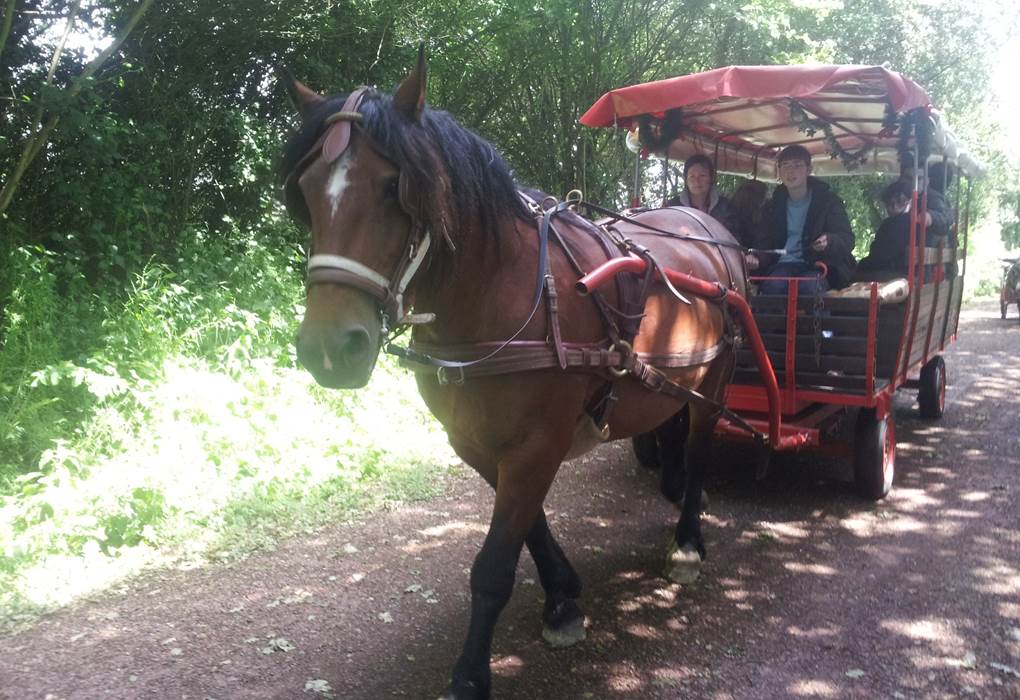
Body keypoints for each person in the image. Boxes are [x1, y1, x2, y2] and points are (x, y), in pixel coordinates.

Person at [746, 145, 856, 293]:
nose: (790, 171)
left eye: (797, 165)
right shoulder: (771, 206)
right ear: (779, 171)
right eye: (785, 165)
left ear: (808, 169)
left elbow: (847, 240)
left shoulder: (829, 202)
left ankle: (819, 317)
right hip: (781, 266)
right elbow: (763, 242)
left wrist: (829, 240)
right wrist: (756, 257)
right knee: (773, 287)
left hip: (818, 266)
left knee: (809, 287)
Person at [854, 180, 913, 281]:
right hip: (891, 269)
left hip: (896, 272)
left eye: (900, 201)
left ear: (910, 201)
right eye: (890, 203)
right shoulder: (890, 223)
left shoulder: (903, 223)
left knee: (850, 277)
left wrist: (862, 264)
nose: (894, 207)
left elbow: (884, 255)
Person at [666, 154, 739, 235]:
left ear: (711, 178)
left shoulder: (725, 207)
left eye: (702, 176)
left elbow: (733, 238)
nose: (697, 181)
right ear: (686, 180)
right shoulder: (673, 207)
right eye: (692, 176)